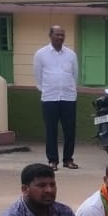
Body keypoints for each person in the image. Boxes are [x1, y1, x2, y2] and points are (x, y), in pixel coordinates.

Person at [32, 25, 79, 171]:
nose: (60, 37)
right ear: (50, 35)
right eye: (57, 34)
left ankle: (68, 159)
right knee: (51, 130)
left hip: (68, 97)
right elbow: (38, 75)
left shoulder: (71, 54)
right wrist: (45, 89)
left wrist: (70, 88)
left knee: (69, 130)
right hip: (50, 98)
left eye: (62, 35)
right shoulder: (41, 54)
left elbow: (75, 75)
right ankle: (52, 161)